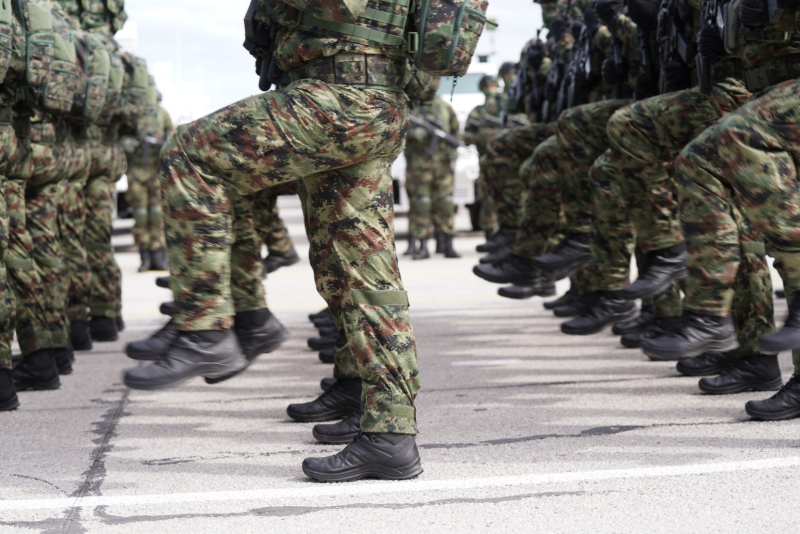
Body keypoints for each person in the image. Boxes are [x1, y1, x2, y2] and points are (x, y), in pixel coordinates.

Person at [123, 0, 425, 482]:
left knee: (190, 155)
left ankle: (207, 330)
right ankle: (387, 428)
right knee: (356, 270)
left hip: (336, 98)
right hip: (370, 101)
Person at [403, 76, 461, 260]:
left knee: (446, 203)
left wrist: (453, 152)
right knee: (421, 203)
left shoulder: (445, 107)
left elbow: (456, 133)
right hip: (419, 166)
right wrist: (413, 134)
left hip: (443, 166)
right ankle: (421, 245)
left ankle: (447, 244)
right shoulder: (411, 108)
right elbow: (396, 134)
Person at [125, 88, 175, 272]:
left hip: (156, 171)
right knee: (140, 216)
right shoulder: (132, 114)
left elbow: (172, 137)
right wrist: (128, 143)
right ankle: (144, 256)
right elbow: (120, 136)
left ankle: (158, 255)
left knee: (157, 215)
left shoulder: (162, 114)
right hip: (136, 172)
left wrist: (160, 144)